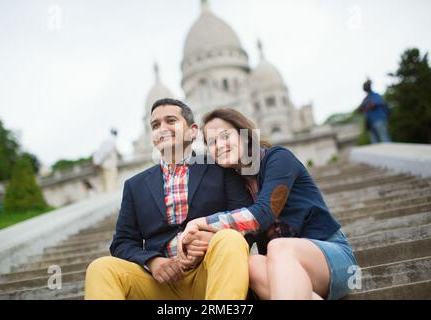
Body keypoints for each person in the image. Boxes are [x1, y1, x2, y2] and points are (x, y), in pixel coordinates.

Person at [177, 108, 358, 300]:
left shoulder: (279, 158)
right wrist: (205, 240)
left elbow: (263, 214)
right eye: (212, 142)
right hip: (285, 273)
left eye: (225, 136)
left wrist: (199, 223)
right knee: (250, 265)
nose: (219, 145)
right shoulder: (234, 185)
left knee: (279, 247)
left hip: (335, 261)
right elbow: (242, 237)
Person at [84, 99, 254, 300]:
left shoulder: (220, 169)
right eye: (155, 125)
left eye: (170, 121)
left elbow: (247, 218)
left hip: (209, 274)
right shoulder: (135, 186)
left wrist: (212, 238)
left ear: (192, 131)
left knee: (230, 238)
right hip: (159, 285)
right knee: (101, 268)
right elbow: (122, 242)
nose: (162, 128)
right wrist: (152, 261)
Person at [358, 79, 392, 143]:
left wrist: (365, 108)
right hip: (370, 123)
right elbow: (360, 109)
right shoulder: (365, 99)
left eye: (366, 86)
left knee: (385, 139)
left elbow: (373, 105)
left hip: (379, 120)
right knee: (375, 142)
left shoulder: (376, 95)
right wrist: (365, 107)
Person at [93, 128, 119, 193]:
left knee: (105, 184)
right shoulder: (111, 141)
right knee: (110, 183)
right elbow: (106, 152)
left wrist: (97, 162)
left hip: (104, 165)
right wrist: (98, 162)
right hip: (108, 165)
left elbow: (98, 152)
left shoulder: (105, 141)